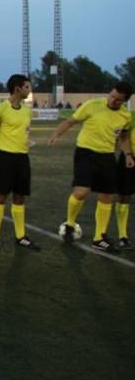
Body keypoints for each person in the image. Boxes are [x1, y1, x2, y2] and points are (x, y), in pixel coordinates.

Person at [49, 81, 133, 252]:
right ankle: (70, 223)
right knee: (81, 192)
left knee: (106, 196)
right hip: (85, 153)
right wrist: (56, 134)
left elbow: (123, 138)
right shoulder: (92, 105)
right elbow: (71, 121)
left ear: (124, 101)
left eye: (117, 100)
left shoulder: (125, 116)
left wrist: (128, 155)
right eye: (111, 96)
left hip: (107, 156)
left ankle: (99, 238)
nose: (112, 100)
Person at [0, 74, 40, 251]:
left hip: (22, 158)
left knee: (19, 197)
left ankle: (21, 236)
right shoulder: (0, 109)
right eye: (27, 87)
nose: (29, 90)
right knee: (1, 196)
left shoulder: (26, 110)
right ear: (17, 88)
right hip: (5, 157)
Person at [115, 107, 135, 250]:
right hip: (130, 158)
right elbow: (123, 136)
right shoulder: (131, 117)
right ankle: (123, 236)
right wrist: (128, 155)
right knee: (124, 196)